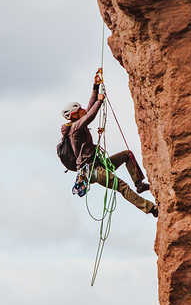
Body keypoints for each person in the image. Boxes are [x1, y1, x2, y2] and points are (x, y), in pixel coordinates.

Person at [61, 71, 158, 217]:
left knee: (127, 155)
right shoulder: (74, 129)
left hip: (97, 164)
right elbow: (91, 115)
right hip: (93, 170)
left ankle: (139, 185)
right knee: (122, 187)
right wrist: (100, 100)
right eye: (80, 110)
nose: (83, 110)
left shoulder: (77, 124)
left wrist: (96, 87)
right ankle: (151, 209)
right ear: (74, 115)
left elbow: (89, 109)